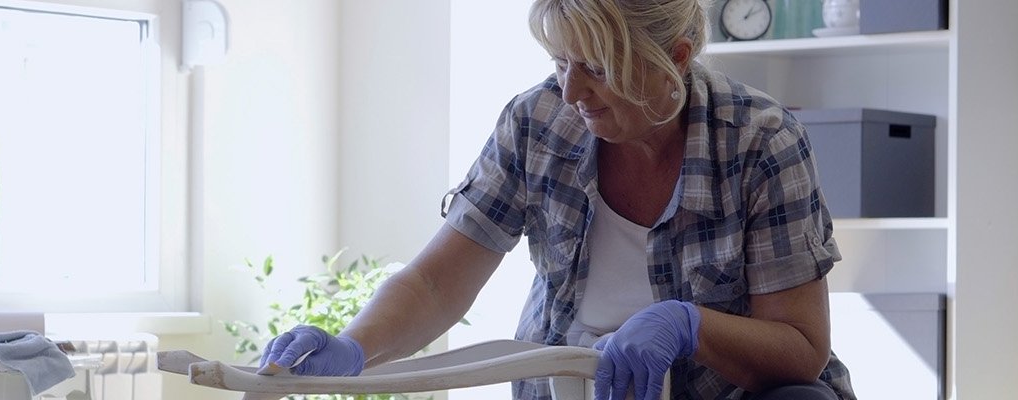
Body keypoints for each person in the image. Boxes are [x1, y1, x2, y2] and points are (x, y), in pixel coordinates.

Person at [258, 0, 856, 399]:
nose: (571, 91)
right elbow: (437, 285)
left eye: (595, 65)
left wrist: (689, 326)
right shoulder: (536, 121)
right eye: (560, 62)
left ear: (673, 55)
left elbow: (800, 348)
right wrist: (354, 346)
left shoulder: (760, 141)